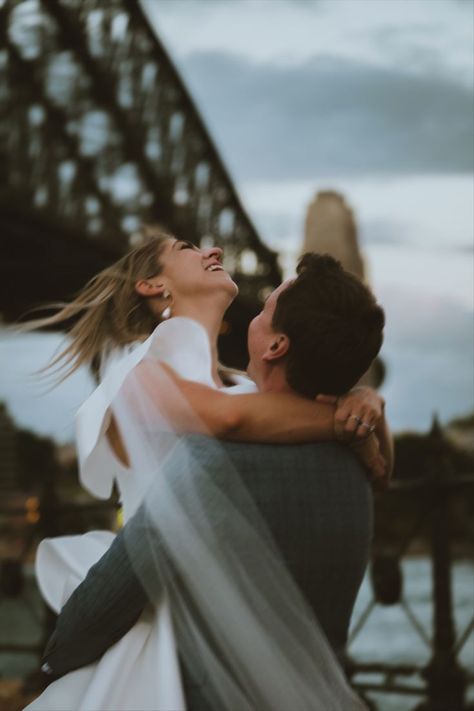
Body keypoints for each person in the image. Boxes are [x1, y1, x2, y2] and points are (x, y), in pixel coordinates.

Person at [24, 229, 389, 710]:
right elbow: (224, 419)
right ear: (154, 286)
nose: (213, 250)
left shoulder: (244, 392)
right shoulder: (145, 375)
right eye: (185, 249)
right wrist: (356, 421)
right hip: (154, 622)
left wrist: (364, 404)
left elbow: (236, 413)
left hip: (218, 636)